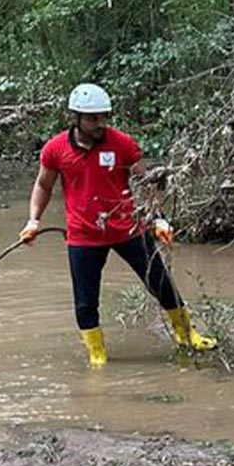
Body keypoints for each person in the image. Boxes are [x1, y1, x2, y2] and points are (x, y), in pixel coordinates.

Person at [18, 83, 217, 367]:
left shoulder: (122, 143)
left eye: (104, 117)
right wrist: (34, 220)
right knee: (85, 302)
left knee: (160, 282)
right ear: (75, 118)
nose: (100, 124)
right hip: (83, 236)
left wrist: (158, 218)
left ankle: (187, 335)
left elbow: (146, 184)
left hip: (128, 228)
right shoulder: (55, 149)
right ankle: (97, 355)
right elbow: (43, 185)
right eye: (92, 118)